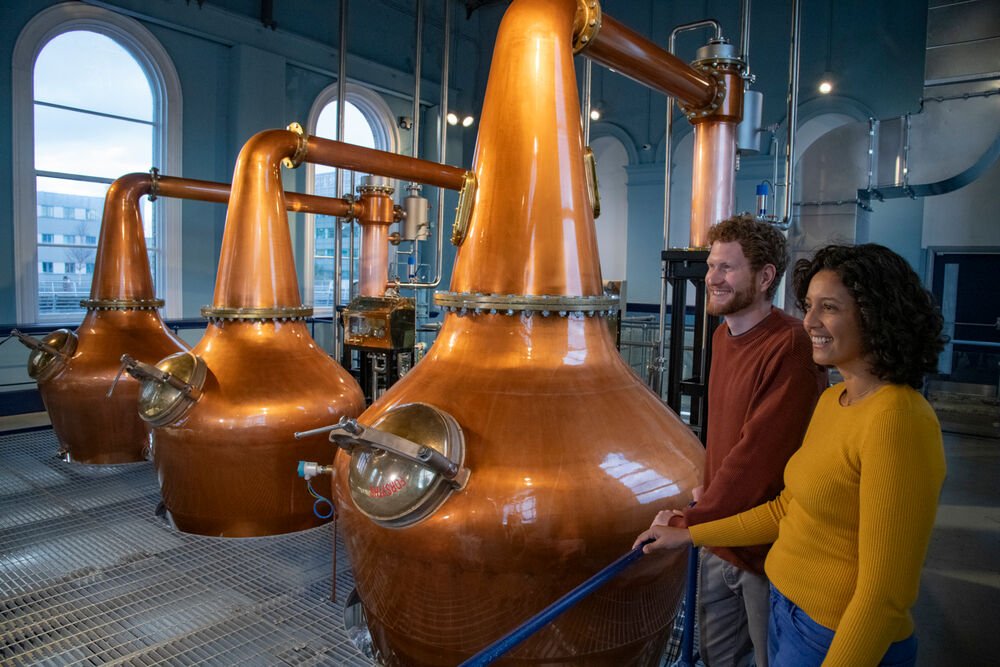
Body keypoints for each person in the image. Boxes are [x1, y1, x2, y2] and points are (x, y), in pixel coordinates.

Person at [637, 244, 946, 667]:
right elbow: (787, 509)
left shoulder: (898, 420)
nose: (810, 322)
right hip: (787, 614)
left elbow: (884, 598)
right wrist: (690, 532)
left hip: (833, 637)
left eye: (830, 308)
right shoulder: (835, 398)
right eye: (809, 306)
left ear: (876, 317)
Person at [680, 214, 826, 667]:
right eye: (711, 266)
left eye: (726, 268)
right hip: (719, 540)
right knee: (718, 657)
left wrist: (691, 522)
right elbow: (725, 437)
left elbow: (758, 457)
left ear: (765, 277)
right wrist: (705, 508)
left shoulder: (791, 346)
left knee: (764, 659)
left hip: (765, 553)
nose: (712, 278)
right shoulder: (724, 336)